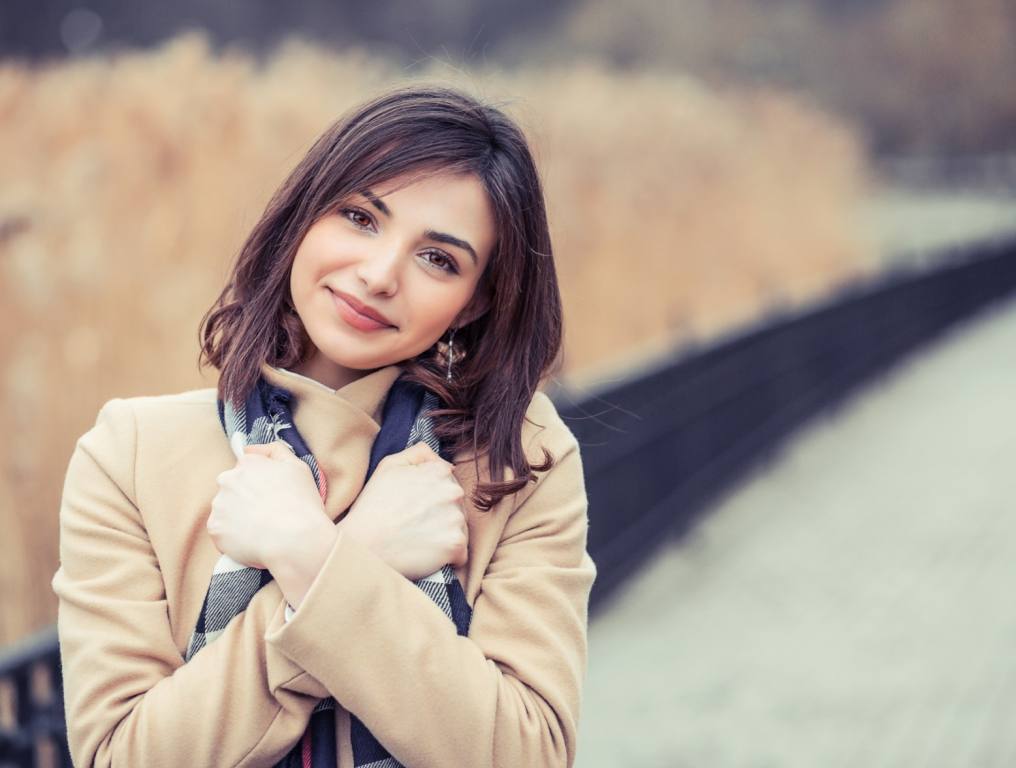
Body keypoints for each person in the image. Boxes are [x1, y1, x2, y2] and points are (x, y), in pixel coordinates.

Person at [51, 84, 597, 768]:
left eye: (438, 259)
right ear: (304, 216)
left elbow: (527, 753)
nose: (377, 275)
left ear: (474, 302)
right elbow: (122, 758)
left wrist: (312, 559)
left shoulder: (518, 458)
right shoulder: (130, 454)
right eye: (361, 217)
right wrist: (360, 554)